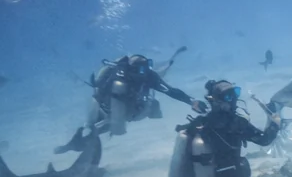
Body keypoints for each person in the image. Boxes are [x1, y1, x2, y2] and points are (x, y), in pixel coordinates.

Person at [165, 80, 281, 177]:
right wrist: (275, 124)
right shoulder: (237, 123)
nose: (233, 99)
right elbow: (264, 139)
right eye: (229, 96)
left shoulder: (202, 122)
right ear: (217, 100)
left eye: (235, 94)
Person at [58, 53, 195, 153]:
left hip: (117, 111)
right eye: (141, 69)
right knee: (100, 128)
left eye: (145, 69)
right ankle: (80, 145)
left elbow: (170, 90)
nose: (142, 73)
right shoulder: (126, 77)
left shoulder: (141, 75)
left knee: (100, 128)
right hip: (118, 111)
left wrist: (191, 101)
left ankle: (79, 144)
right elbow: (170, 91)